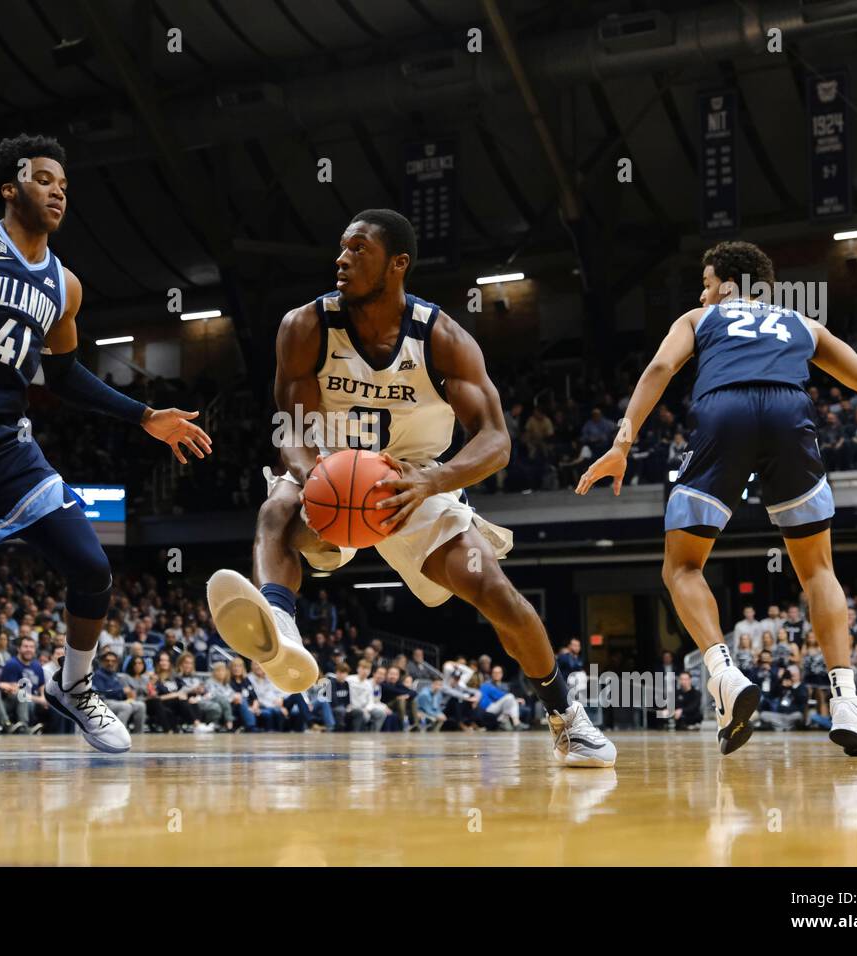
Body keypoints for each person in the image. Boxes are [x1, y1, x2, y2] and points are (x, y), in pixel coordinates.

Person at [206, 209, 614, 766]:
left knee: (493, 591)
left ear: (397, 264)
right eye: (340, 249)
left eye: (358, 250)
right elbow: (292, 430)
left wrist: (435, 480)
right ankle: (281, 629)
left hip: (415, 479)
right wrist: (309, 474)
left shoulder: (442, 338)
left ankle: (568, 718)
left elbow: (496, 441)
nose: (341, 260)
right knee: (277, 507)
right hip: (333, 472)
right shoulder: (304, 326)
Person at [0, 134, 211, 769]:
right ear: (11, 186)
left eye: (65, 185)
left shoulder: (65, 285)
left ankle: (72, 686)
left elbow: (64, 375)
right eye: (46, 179)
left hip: (5, 440)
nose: (59, 191)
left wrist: (144, 416)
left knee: (91, 567)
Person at [578, 240, 857, 758]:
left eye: (705, 280)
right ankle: (848, 701)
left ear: (727, 284)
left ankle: (721, 672)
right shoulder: (800, 322)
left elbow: (657, 371)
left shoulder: (700, 318)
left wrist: (621, 444)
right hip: (790, 414)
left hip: (726, 412)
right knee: (817, 572)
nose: (702, 290)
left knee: (682, 568)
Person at [92, 650, 146, 734]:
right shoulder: (98, 675)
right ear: (102, 662)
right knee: (126, 707)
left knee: (140, 705)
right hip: (105, 702)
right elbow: (101, 691)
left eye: (113, 661)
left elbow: (123, 691)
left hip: (119, 701)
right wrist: (121, 691)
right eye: (107, 661)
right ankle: (118, 734)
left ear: (117, 663)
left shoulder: (115, 675)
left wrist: (129, 694)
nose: (110, 663)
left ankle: (138, 734)